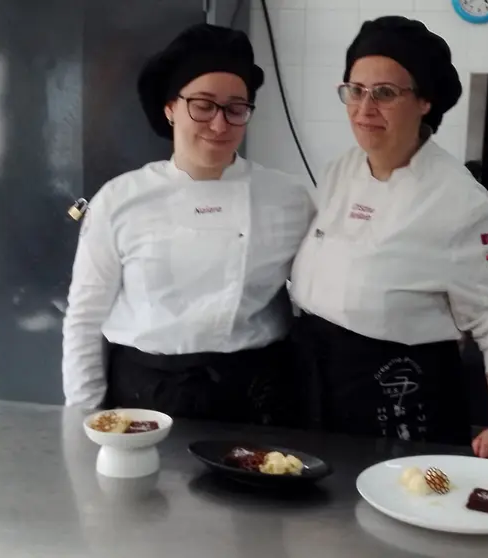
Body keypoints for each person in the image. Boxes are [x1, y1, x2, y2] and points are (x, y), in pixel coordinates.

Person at [290, 16, 488, 460]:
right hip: (317, 385)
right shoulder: (340, 170)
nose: (365, 108)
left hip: (397, 396)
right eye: (355, 90)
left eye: (385, 93)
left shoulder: (461, 203)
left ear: (425, 101)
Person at [62, 24, 314, 426]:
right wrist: (86, 416)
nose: (219, 124)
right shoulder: (121, 199)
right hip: (146, 394)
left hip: (256, 395)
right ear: (170, 108)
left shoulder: (289, 199)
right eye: (203, 104)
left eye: (236, 108)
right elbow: (85, 318)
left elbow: (314, 294)